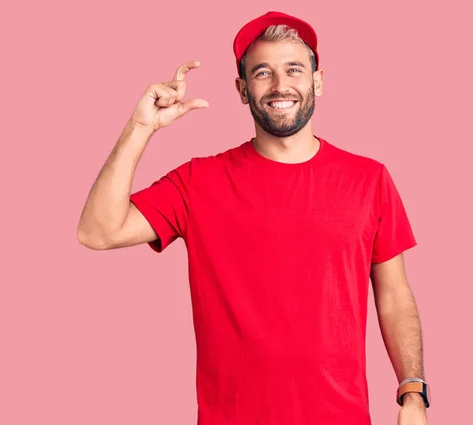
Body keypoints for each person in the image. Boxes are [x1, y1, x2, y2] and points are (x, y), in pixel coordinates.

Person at [77, 10, 430, 425]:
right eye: (263, 73)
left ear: (317, 81)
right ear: (242, 90)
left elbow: (394, 295)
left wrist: (413, 392)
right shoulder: (198, 181)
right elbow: (97, 231)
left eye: (294, 69)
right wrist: (141, 127)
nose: (281, 86)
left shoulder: (369, 179)